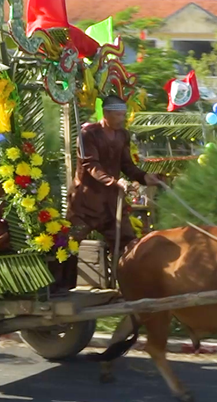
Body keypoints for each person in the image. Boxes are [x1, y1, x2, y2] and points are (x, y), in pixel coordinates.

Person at [59, 94, 163, 292]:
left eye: (123, 115)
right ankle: (62, 289)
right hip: (85, 202)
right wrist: (114, 182)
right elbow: (91, 165)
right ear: (106, 114)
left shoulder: (123, 135)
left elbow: (126, 165)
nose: (122, 119)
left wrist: (145, 177)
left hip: (111, 203)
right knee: (69, 245)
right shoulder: (88, 133)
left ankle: (131, 288)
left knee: (127, 244)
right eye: (118, 115)